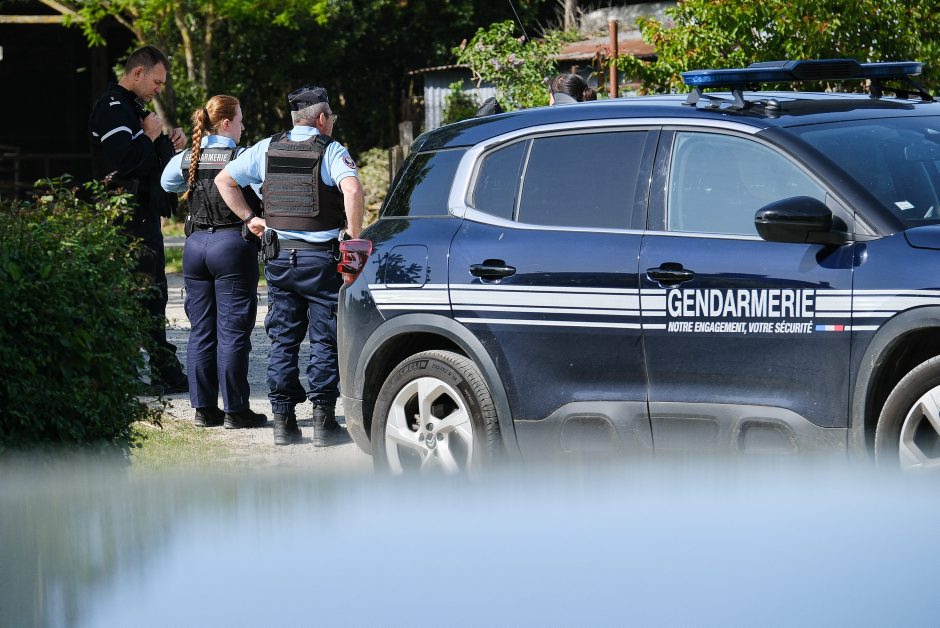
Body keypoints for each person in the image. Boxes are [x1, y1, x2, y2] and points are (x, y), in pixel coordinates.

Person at [215, 85, 364, 447]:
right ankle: (324, 423)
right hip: (321, 262)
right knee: (324, 340)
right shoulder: (331, 150)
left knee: (283, 339)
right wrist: (353, 238)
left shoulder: (266, 147)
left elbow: (224, 179)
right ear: (322, 118)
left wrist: (250, 218)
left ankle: (283, 423)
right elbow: (353, 190)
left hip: (280, 259)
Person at [160, 95, 268, 429]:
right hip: (231, 244)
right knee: (233, 331)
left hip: (195, 247)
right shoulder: (241, 157)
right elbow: (263, 193)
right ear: (225, 123)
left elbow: (167, 182)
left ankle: (204, 409)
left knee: (201, 330)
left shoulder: (189, 156)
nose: (243, 127)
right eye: (240, 121)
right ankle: (236, 410)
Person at [89, 45, 189, 394]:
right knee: (133, 295)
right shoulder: (113, 107)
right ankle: (126, 375)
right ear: (137, 73)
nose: (159, 89)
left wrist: (170, 144)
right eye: (157, 82)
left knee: (153, 294)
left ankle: (163, 370)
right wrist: (149, 135)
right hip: (125, 219)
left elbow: (148, 161)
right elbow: (123, 161)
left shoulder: (133, 107)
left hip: (143, 215)